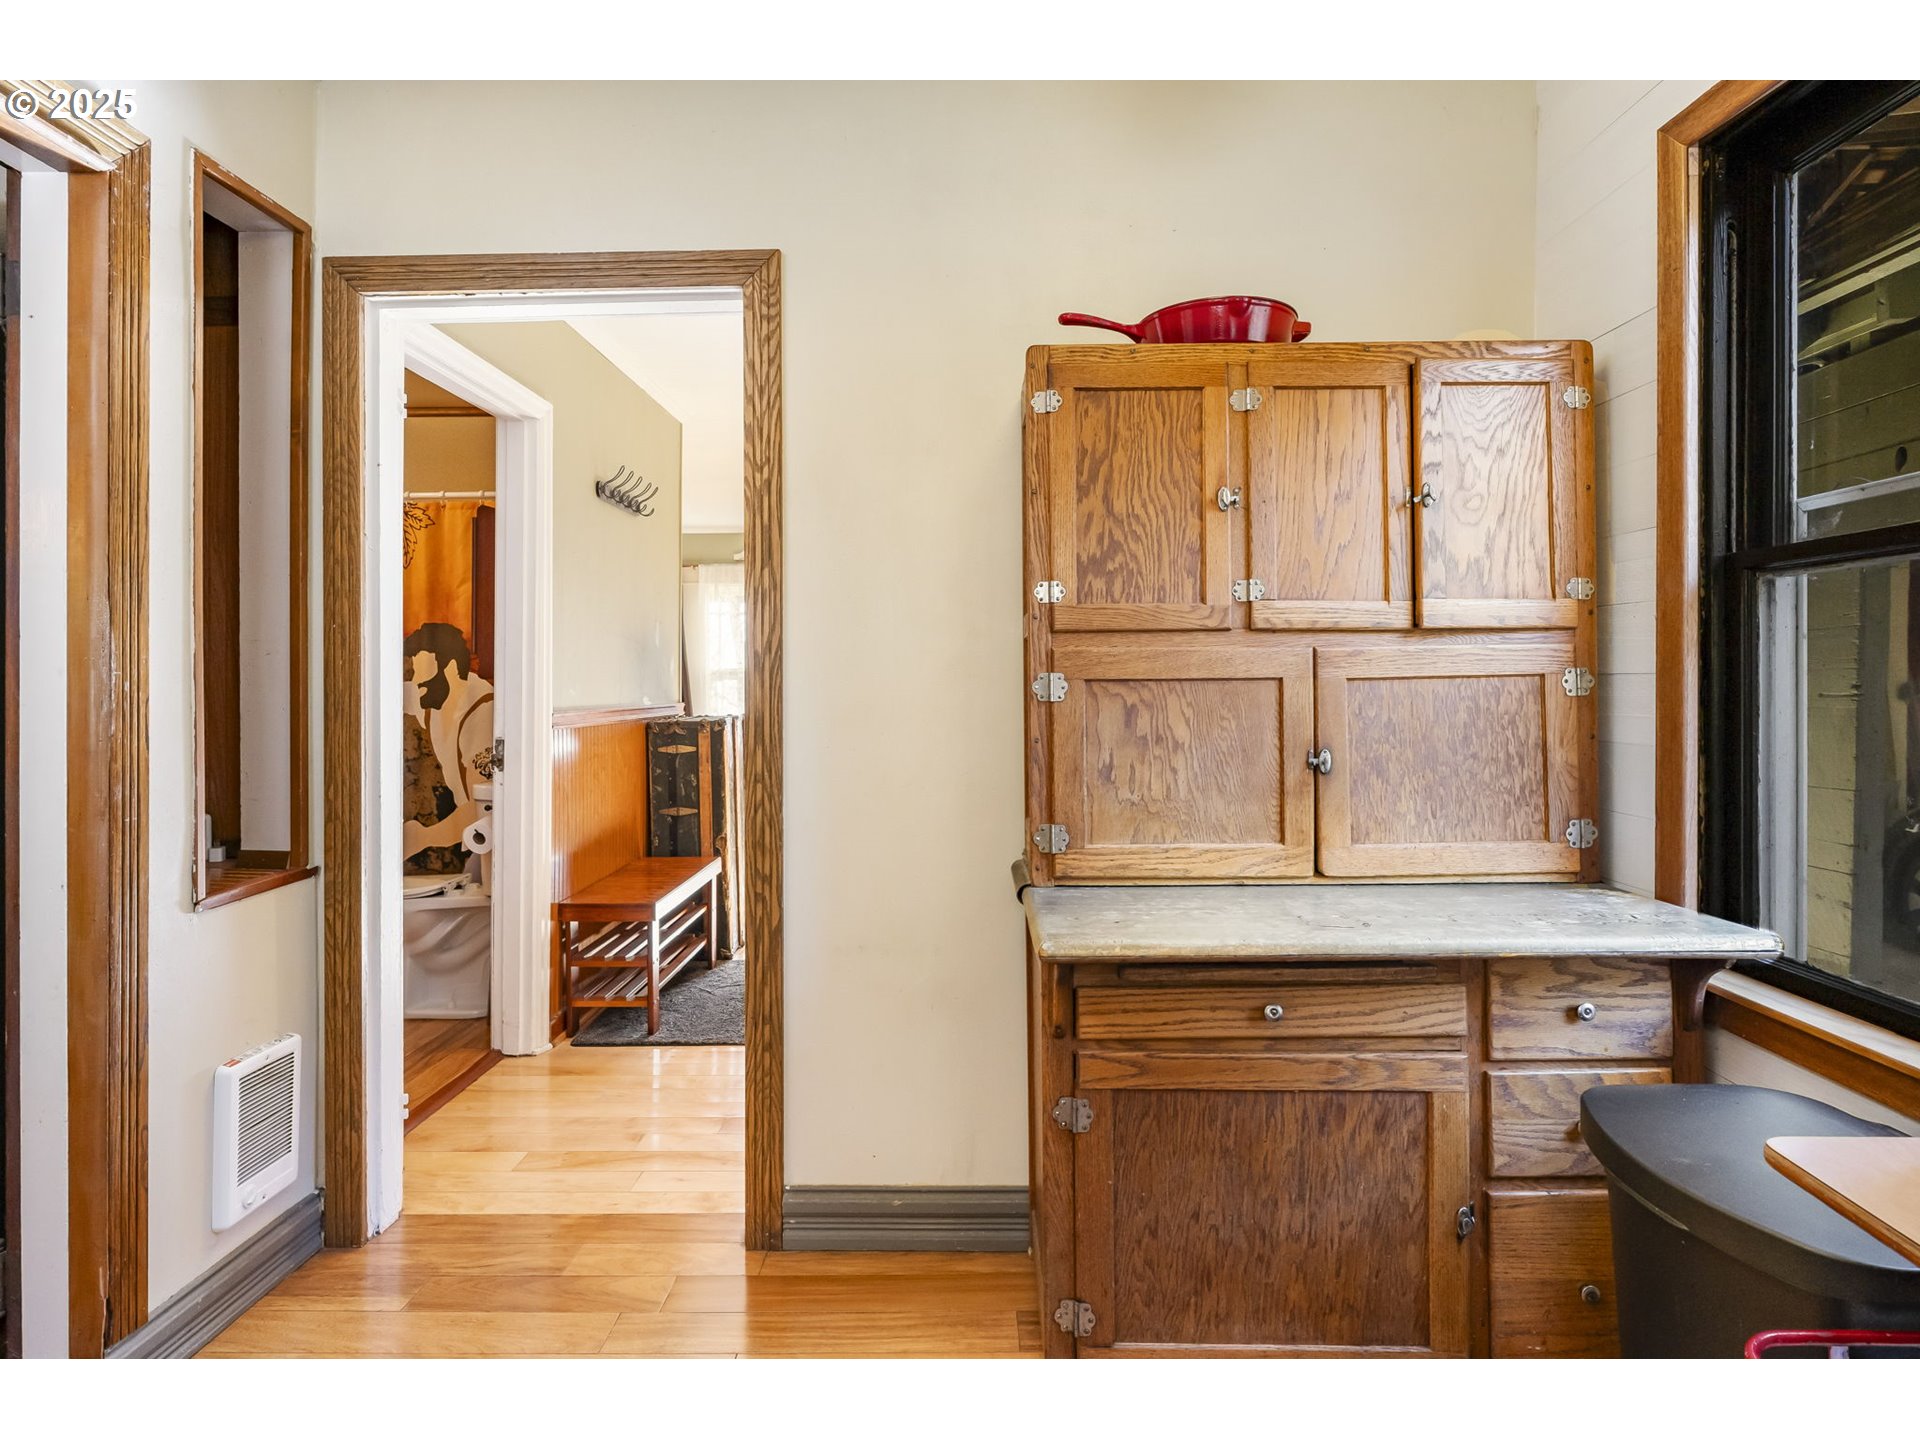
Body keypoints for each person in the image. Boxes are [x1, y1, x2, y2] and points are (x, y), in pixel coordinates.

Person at [400, 622, 494, 862]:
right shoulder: (434, 703)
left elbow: (481, 806)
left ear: (451, 668)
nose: (417, 685)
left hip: (486, 840)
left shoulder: (482, 711)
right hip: (471, 841)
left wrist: (422, 837)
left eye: (423, 678)